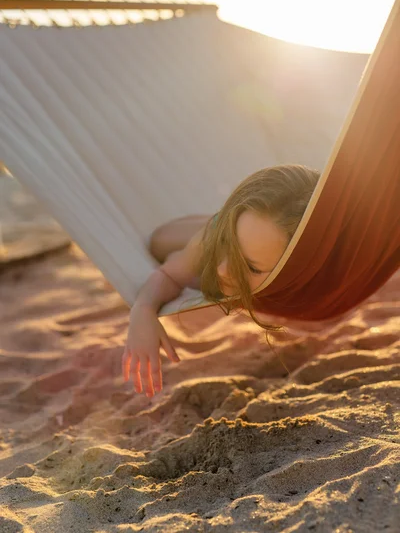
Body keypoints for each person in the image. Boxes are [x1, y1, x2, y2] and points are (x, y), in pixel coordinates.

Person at [122, 164, 320, 397]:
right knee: (160, 242)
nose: (223, 270)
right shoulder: (209, 243)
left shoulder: (313, 262)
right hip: (200, 235)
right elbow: (169, 275)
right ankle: (225, 229)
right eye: (229, 243)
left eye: (250, 267)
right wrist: (143, 310)